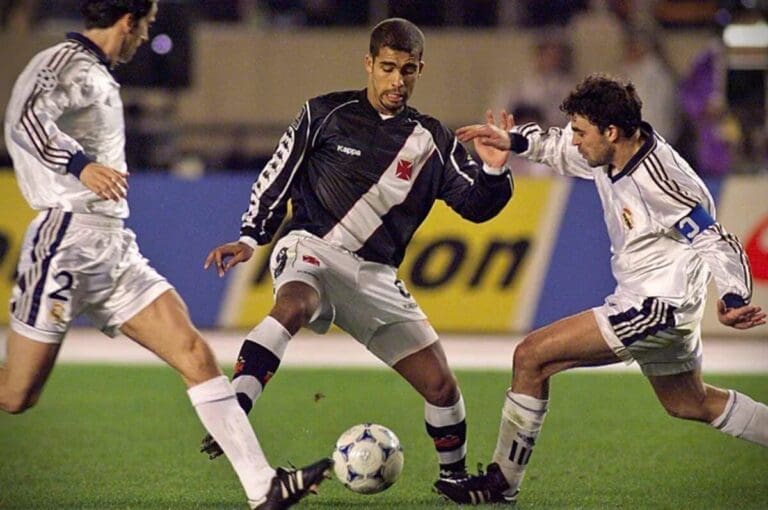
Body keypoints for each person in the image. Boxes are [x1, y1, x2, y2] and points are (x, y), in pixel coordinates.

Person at [1, 2, 331, 509]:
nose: (147, 34)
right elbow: (23, 118)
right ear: (129, 20)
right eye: (148, 24)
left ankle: (264, 488)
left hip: (112, 246)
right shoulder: (62, 62)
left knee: (195, 355)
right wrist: (80, 164)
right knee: (16, 396)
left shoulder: (100, 76)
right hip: (64, 241)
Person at [200, 17, 514, 496]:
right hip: (312, 247)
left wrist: (494, 172)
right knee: (294, 306)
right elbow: (277, 174)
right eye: (387, 68)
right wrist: (249, 237)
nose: (397, 80)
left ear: (419, 70)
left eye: (408, 70)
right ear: (369, 64)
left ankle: (453, 477)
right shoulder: (324, 113)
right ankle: (233, 409)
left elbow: (475, 207)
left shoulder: (432, 140)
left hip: (376, 276)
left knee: (441, 387)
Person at [435, 74, 767, 504]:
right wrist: (513, 142)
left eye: (580, 132)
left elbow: (712, 237)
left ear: (610, 132)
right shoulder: (613, 152)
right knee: (690, 403)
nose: (573, 140)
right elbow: (557, 148)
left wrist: (735, 293)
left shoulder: (658, 180)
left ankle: (501, 484)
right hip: (660, 304)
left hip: (655, 307)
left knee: (531, 357)